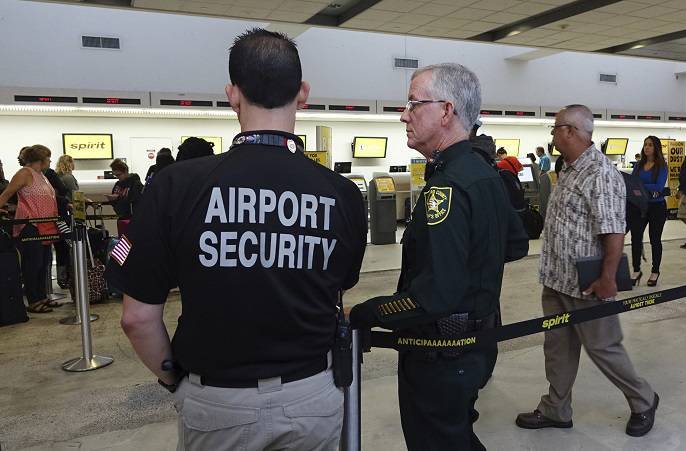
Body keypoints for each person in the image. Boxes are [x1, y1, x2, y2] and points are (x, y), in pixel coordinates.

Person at [108, 28, 367, 450]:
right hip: (312, 397)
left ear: (232, 94)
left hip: (217, 403)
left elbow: (137, 318)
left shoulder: (176, 186)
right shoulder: (341, 193)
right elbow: (337, 289)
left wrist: (176, 379)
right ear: (302, 93)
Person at [348, 63, 529, 451]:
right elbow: (516, 244)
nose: (404, 114)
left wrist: (365, 313)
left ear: (446, 111)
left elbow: (435, 296)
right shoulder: (484, 173)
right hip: (478, 344)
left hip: (440, 353)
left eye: (414, 103)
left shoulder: (445, 188)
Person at [515, 105, 658, 437]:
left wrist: (607, 278)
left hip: (586, 282)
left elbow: (613, 231)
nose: (552, 135)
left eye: (555, 129)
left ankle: (643, 400)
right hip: (556, 279)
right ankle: (556, 408)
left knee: (603, 347)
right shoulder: (569, 168)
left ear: (570, 132)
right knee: (558, 346)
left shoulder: (600, 172)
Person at [0, 145, 60, 314]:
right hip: (31, 225)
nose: (50, 160)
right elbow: (6, 193)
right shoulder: (24, 173)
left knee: (44, 263)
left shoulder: (42, 175)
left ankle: (42, 297)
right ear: (40, 159)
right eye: (48, 157)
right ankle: (34, 300)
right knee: (33, 264)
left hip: (46, 225)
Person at [629, 136, 668, 287]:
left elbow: (658, 187)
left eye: (650, 145)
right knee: (636, 237)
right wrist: (644, 187)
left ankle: (655, 270)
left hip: (657, 207)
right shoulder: (638, 165)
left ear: (656, 148)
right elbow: (632, 184)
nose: (647, 147)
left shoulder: (661, 166)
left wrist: (640, 186)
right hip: (639, 206)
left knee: (655, 239)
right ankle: (637, 270)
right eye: (645, 144)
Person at [55, 154, 79, 287]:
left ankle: (61, 277)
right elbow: (76, 194)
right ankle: (68, 277)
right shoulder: (69, 177)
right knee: (70, 245)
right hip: (68, 213)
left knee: (60, 246)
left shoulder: (57, 177)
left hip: (58, 215)